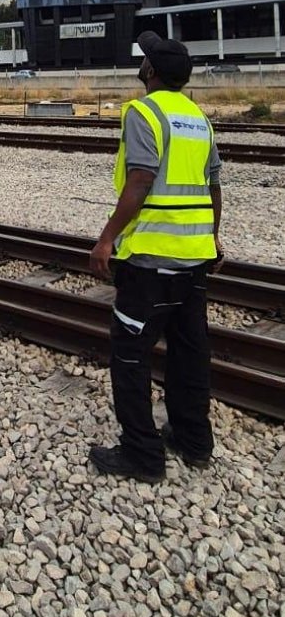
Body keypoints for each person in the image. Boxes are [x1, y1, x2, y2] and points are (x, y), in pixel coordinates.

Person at [88, 30, 222, 484]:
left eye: (144, 60)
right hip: (194, 258)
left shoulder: (143, 112)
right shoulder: (198, 119)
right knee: (189, 353)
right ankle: (193, 441)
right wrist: (213, 238)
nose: (140, 64)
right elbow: (213, 184)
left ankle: (142, 455)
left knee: (130, 356)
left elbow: (141, 178)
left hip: (150, 260)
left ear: (150, 72)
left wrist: (107, 238)